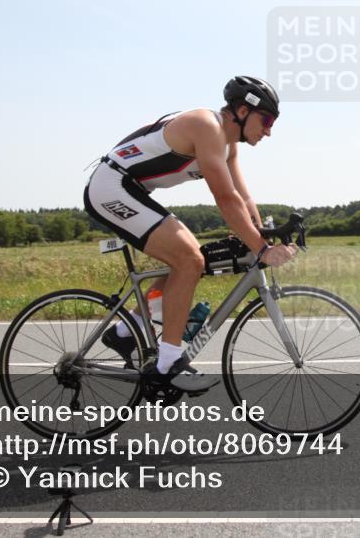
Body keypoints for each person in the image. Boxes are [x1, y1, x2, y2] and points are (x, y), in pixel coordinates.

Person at [83, 76, 297, 393]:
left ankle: (126, 332)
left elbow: (241, 198)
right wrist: (262, 250)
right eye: (266, 119)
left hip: (132, 188)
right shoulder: (205, 126)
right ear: (242, 110)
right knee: (188, 259)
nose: (268, 130)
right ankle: (168, 362)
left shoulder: (228, 147)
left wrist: (265, 232)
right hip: (110, 186)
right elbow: (224, 199)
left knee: (191, 254)